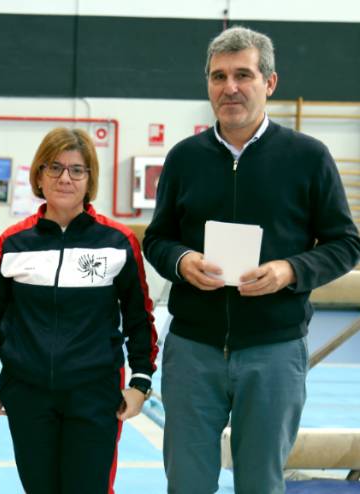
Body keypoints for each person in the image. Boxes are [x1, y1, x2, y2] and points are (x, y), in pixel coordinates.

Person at [143, 26, 360, 494]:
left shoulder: (308, 157)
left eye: (243, 75)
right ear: (208, 84)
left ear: (269, 82)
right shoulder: (184, 159)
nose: (230, 87)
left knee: (261, 483)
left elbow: (345, 243)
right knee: (186, 484)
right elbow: (157, 239)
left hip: (274, 351)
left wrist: (290, 270)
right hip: (193, 350)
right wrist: (181, 260)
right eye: (218, 76)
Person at [0, 127, 158, 494]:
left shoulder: (117, 242)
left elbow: (139, 317)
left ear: (90, 179)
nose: (65, 178)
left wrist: (140, 381)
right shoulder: (13, 243)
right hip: (27, 393)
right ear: (39, 175)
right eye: (54, 168)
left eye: (77, 170)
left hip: (94, 395)